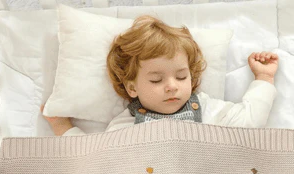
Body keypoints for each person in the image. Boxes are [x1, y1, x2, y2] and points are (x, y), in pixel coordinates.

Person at [41, 15, 279, 136]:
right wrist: (63, 126)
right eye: (156, 80)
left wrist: (264, 78)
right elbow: (94, 158)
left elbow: (250, 121)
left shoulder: (208, 109)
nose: (172, 86)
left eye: (181, 77)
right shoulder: (125, 125)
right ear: (132, 88)